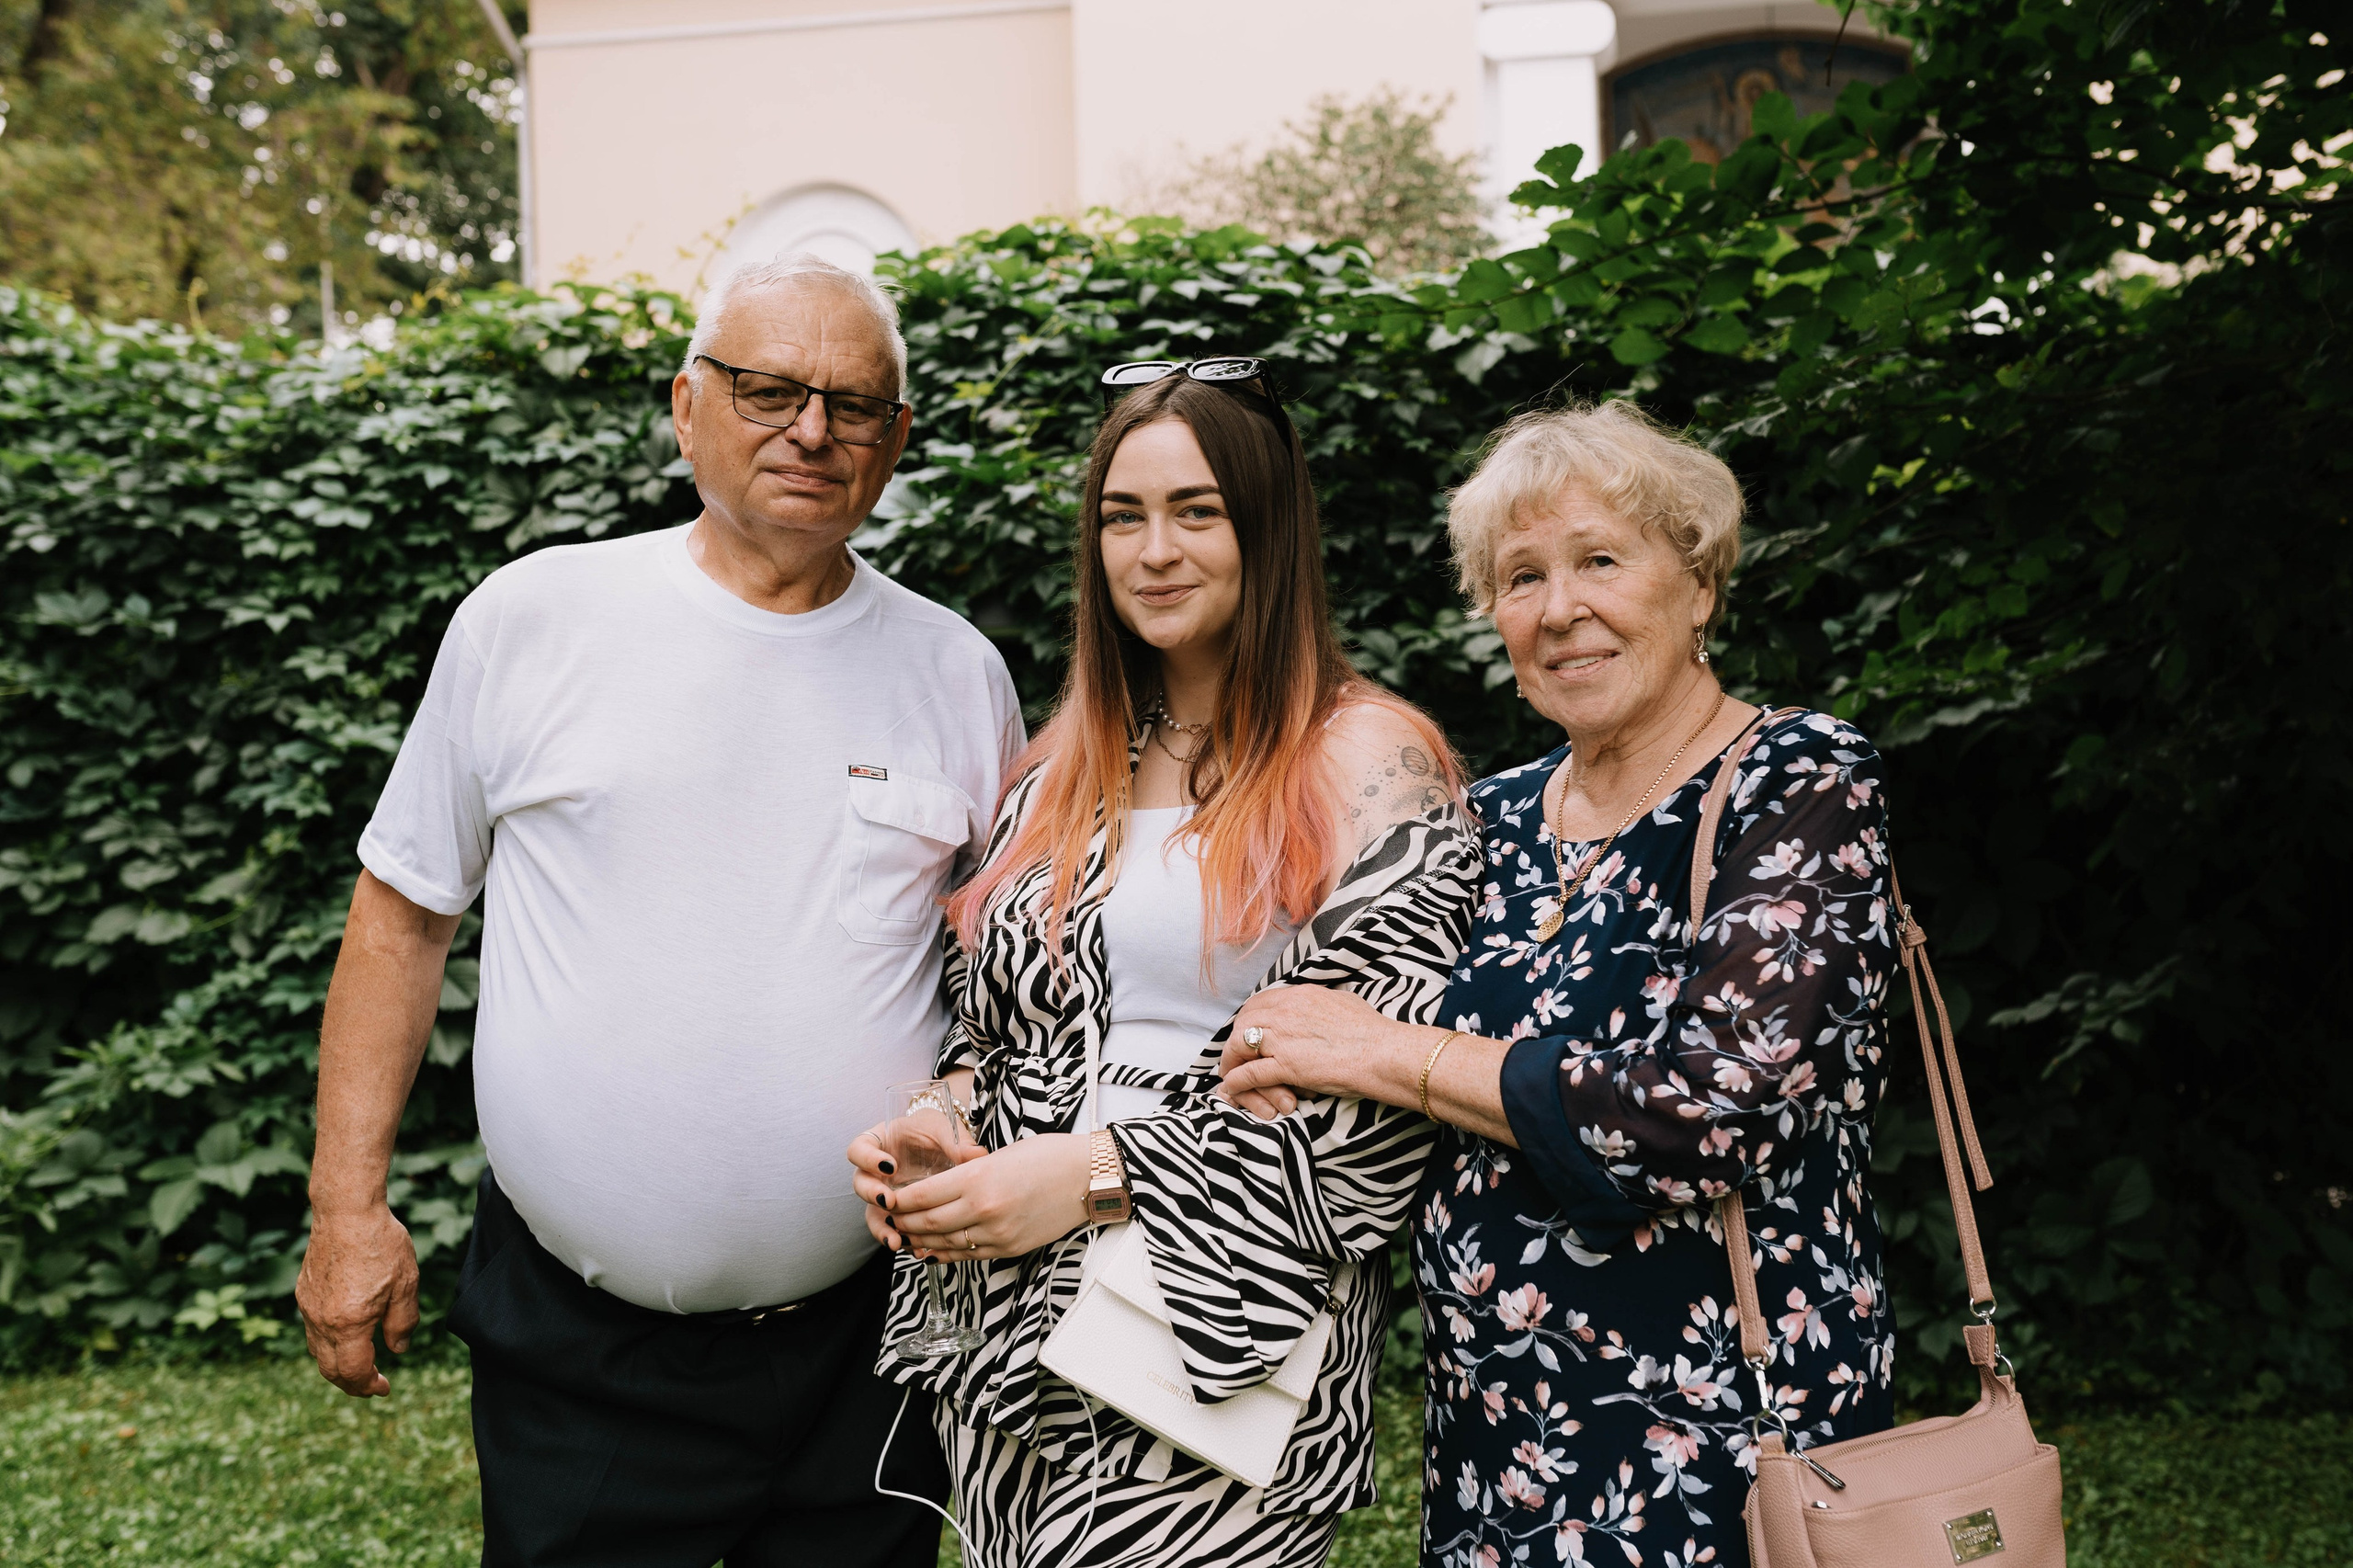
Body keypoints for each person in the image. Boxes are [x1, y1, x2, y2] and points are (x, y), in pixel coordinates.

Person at [294, 253, 1023, 1568]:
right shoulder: (536, 618)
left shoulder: (957, 673)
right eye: (767, 389)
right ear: (687, 407)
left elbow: (999, 985)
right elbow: (402, 912)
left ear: (897, 439)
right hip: (583, 1351)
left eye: (854, 404)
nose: (812, 430)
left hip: (870, 1341)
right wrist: (349, 1209)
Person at [1219, 402, 1897, 1568]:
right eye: (1520, 577)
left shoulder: (1795, 777)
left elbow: (1702, 1111)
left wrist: (1383, 1053)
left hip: (1726, 1432)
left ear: (1696, 585)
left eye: (1598, 560)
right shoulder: (1488, 819)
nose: (1559, 607)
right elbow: (1331, 1040)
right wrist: (1286, 1071)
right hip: (1496, 1439)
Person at [845, 360, 1482, 1567]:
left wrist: (1086, 1172)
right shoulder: (1056, 771)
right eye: (1122, 516)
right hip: (1010, 1350)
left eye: (1197, 511)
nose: (1154, 548)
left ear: (1269, 527)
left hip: (1216, 1355)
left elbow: (1379, 1123)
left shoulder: (1370, 763)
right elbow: (994, 1040)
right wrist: (937, 1129)